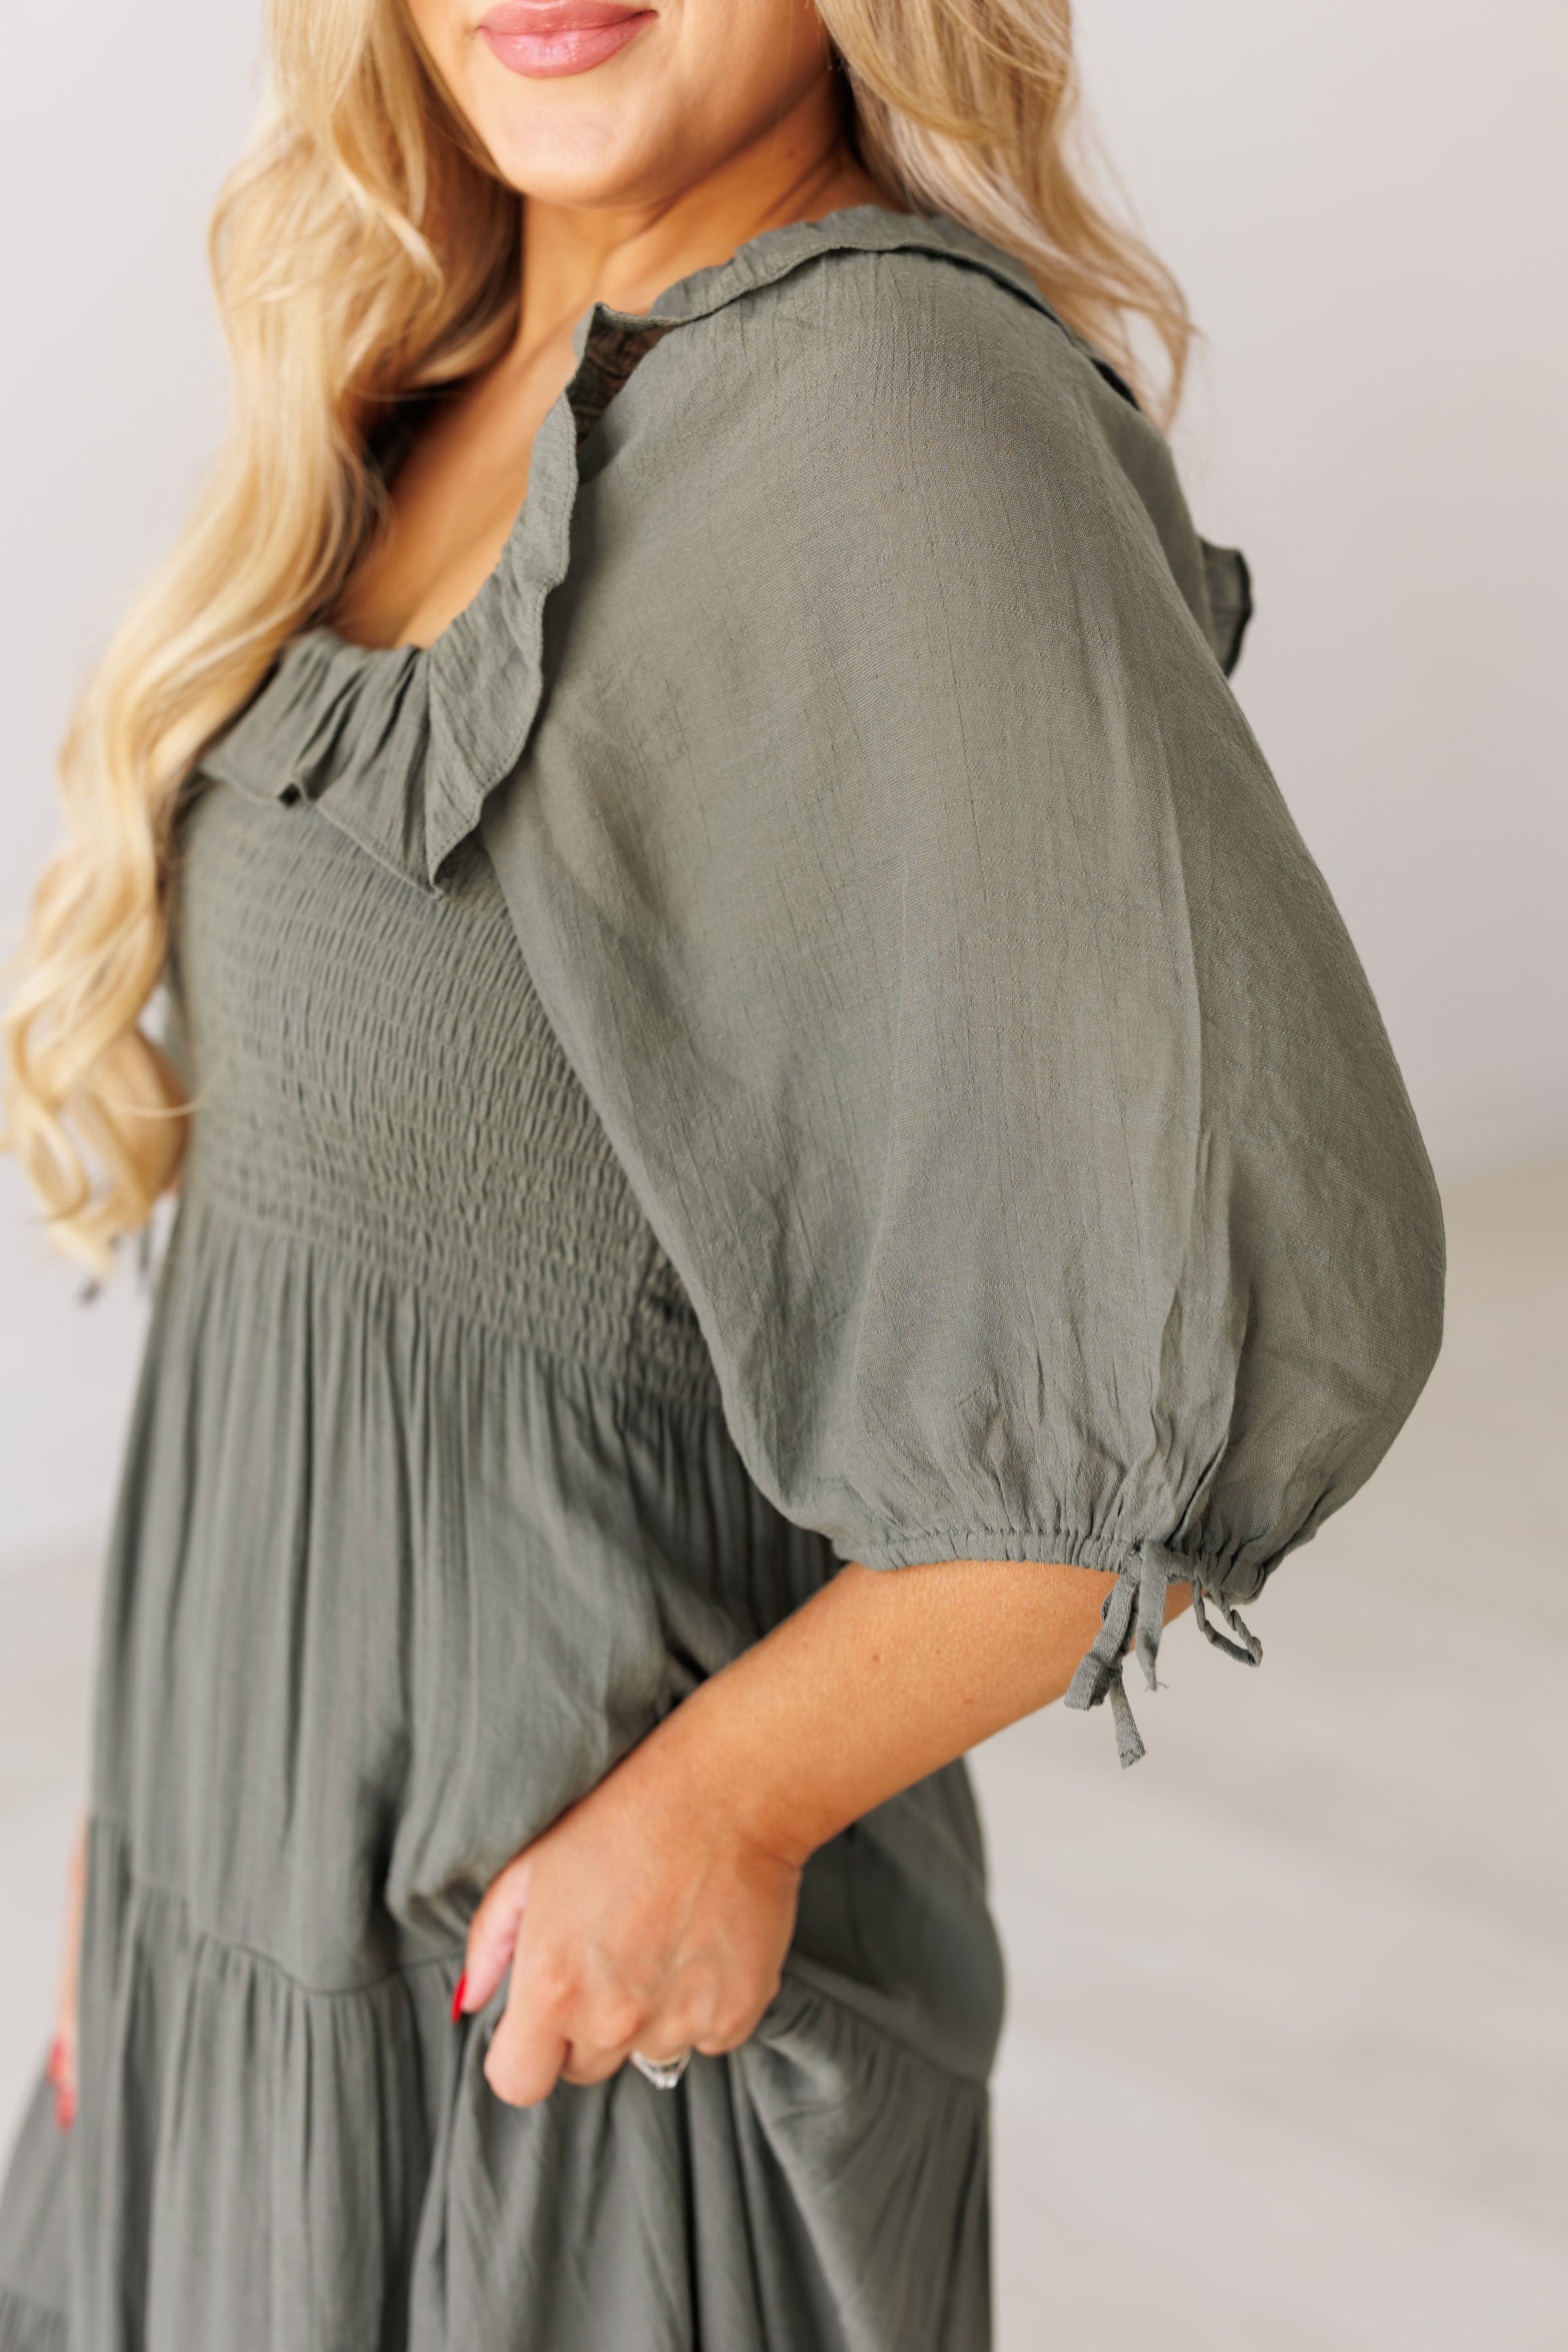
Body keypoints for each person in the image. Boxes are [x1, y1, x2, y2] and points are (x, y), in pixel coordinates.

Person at [0, 1, 1445, 2345]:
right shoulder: (430, 367)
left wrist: (725, 1814)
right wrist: (148, 1840)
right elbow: (304, 1278)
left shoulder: (887, 407)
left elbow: (1201, 1327)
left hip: (560, 2056)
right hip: (233, 1958)